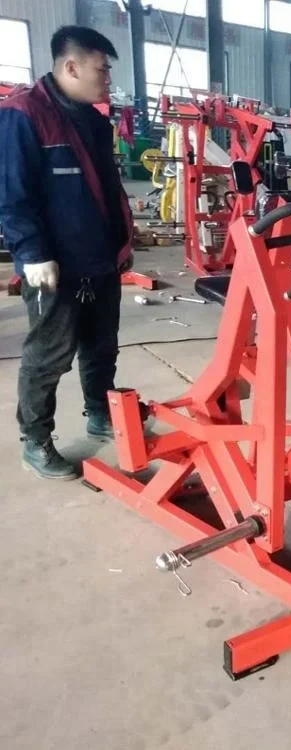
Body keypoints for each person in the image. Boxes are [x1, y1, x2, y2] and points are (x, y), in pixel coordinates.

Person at [0, 26, 133, 480]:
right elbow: (12, 195)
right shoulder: (23, 115)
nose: (108, 78)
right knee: (49, 355)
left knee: (101, 347)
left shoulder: (93, 120)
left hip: (99, 259)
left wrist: (122, 242)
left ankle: (100, 413)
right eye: (102, 69)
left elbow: (108, 190)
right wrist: (31, 253)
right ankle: (35, 441)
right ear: (71, 67)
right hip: (54, 266)